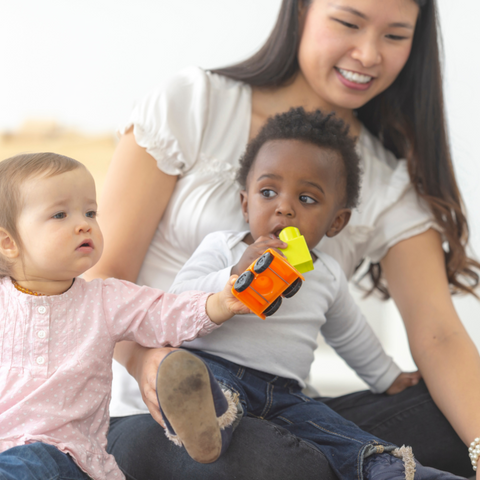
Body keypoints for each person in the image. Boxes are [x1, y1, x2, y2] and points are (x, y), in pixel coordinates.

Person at [86, 0, 480, 478]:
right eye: (348, 22)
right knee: (255, 450)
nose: (369, 53)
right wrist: (149, 362)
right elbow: (102, 283)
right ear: (301, 12)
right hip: (157, 413)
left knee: (445, 417)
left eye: (395, 36)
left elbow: (437, 334)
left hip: (283, 406)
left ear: (338, 219)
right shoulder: (195, 104)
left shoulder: (389, 182)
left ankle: (355, 462)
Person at [160, 107, 463, 479]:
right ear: (245, 203)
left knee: (339, 434)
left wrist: (390, 378)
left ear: (337, 221)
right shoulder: (223, 247)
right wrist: (235, 273)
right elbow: (174, 302)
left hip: (285, 395)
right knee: (204, 388)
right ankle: (206, 427)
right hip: (216, 372)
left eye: (307, 199)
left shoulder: (327, 275)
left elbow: (352, 336)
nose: (284, 207)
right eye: (268, 192)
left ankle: (388, 469)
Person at [0, 153, 249, 480]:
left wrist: (220, 303)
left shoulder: (104, 300)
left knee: (32, 462)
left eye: (90, 212)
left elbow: (163, 313)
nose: (84, 223)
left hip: (66, 457)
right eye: (60, 214)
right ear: (8, 243)